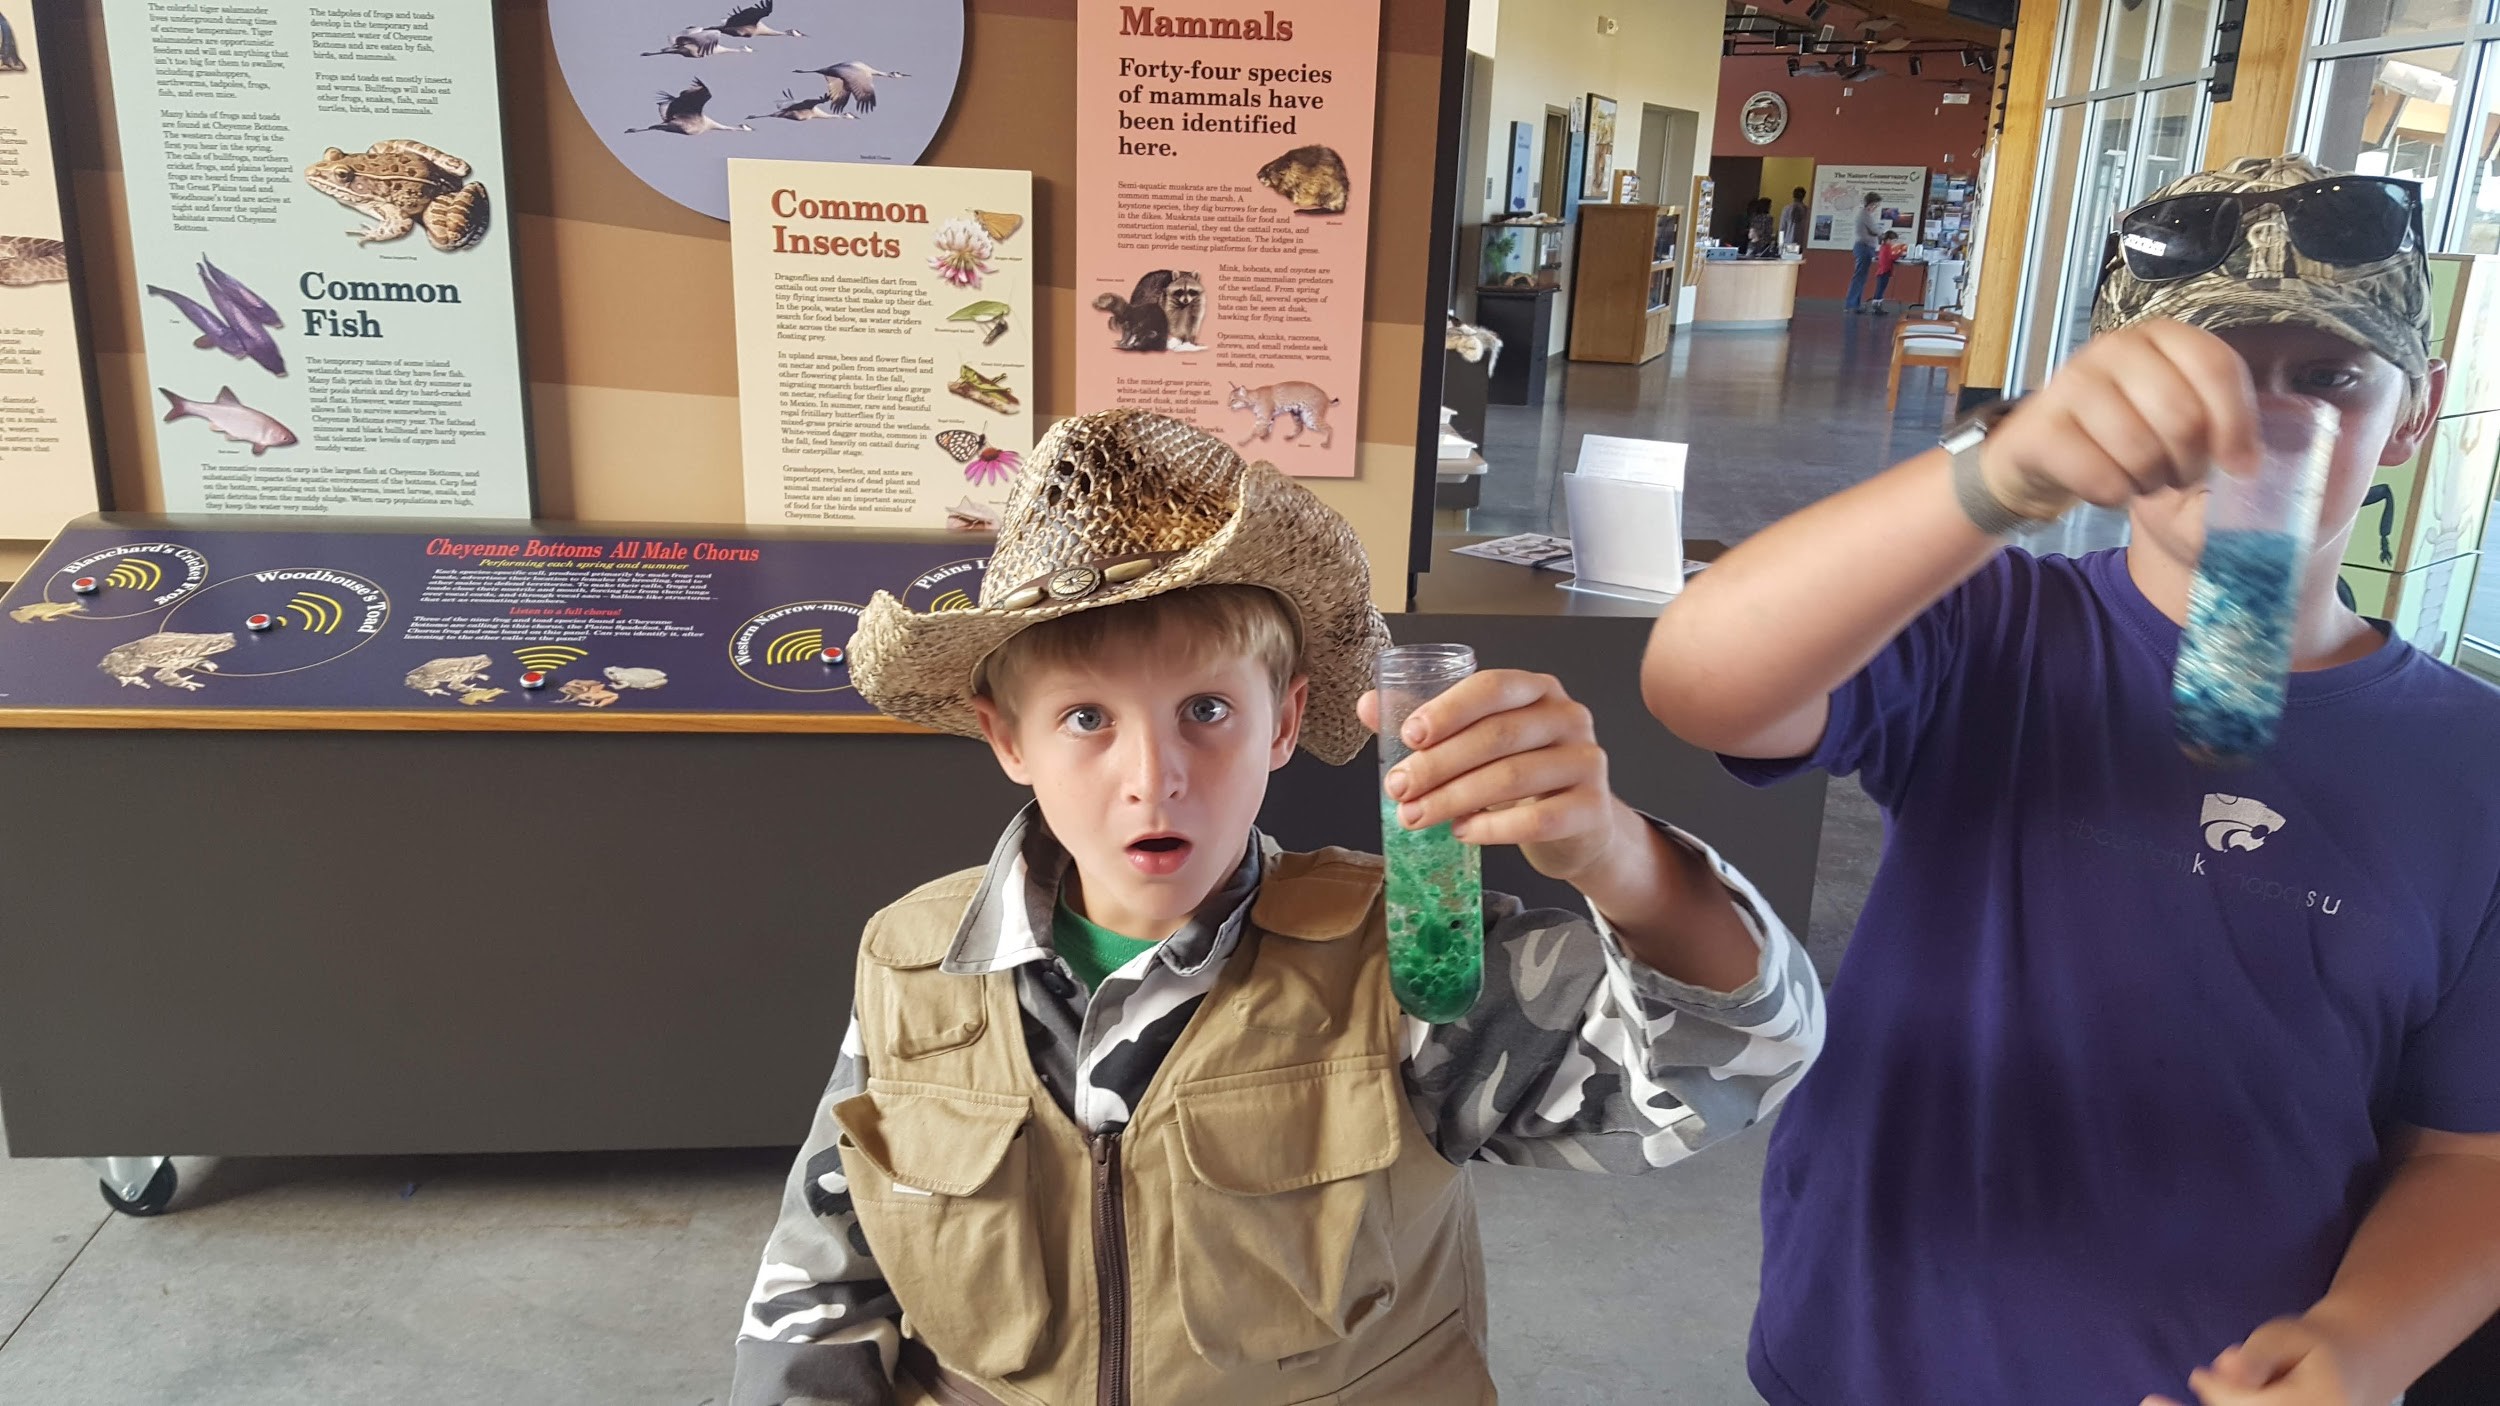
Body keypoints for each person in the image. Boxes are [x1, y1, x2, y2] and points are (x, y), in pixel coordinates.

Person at [730, 410, 1824, 1405]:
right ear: (1005, 736)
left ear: (1285, 722)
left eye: (1206, 709)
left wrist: (1612, 854)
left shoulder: (1404, 960)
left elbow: (1737, 1055)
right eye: (1083, 718)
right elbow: (825, 1277)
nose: (1151, 775)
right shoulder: (918, 959)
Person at [1641, 154, 2500, 1406]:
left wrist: (2365, 1340)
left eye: (2325, 378)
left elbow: (2466, 1145)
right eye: (2192, 386)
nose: (2254, 429)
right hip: (1884, 1330)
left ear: (2412, 413)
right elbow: (1703, 677)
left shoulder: (2468, 764)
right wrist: (1996, 479)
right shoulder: (1992, 627)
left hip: (2201, 1363)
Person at [1843, 191, 1885, 313]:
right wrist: (1882, 233)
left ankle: (1855, 304)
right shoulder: (1865, 215)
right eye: (1876, 205)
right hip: (1864, 247)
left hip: (1866, 247)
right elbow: (1875, 230)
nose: (1876, 208)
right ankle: (1851, 304)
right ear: (1871, 204)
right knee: (1859, 277)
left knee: (1861, 277)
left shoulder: (1866, 215)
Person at [1867, 230, 1906, 313]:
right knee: (1881, 289)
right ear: (1888, 240)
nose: (1894, 243)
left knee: (1879, 289)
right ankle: (1877, 306)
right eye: (1894, 240)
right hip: (1885, 271)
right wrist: (1900, 253)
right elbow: (1892, 257)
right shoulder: (1887, 247)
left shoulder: (1882, 247)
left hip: (1882, 271)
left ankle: (1876, 305)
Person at [1780, 185, 1810, 252]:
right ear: (1804, 196)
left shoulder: (1786, 209)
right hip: (1802, 243)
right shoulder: (1807, 210)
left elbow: (1782, 228)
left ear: (1793, 195)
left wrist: (1780, 246)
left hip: (1788, 242)